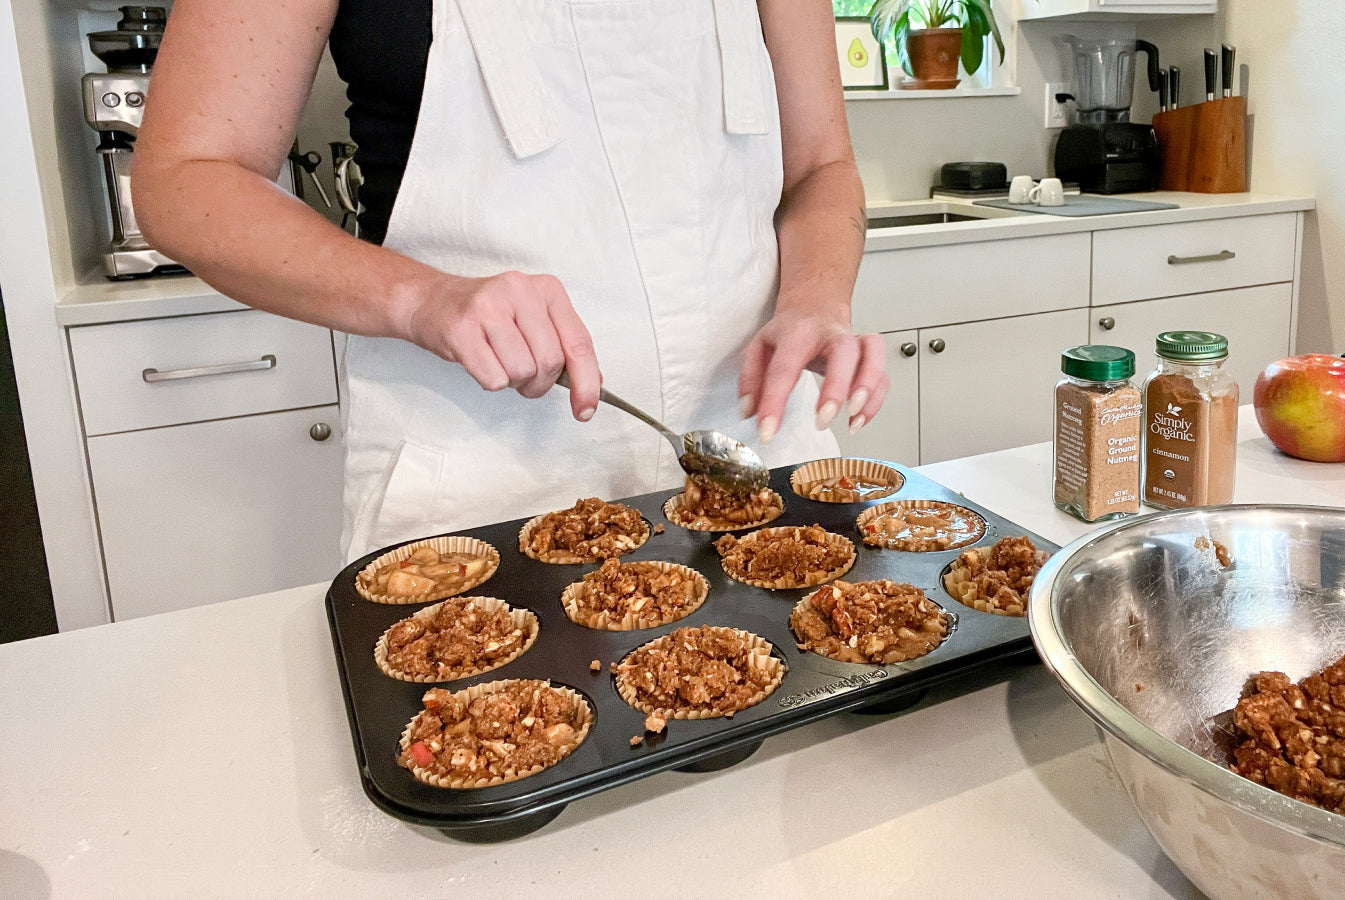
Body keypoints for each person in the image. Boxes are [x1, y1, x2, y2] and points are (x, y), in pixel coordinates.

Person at [133, 0, 887, 560]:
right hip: (483, 479)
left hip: (754, 448)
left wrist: (815, 299)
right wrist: (423, 297)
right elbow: (184, 179)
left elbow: (821, 165)